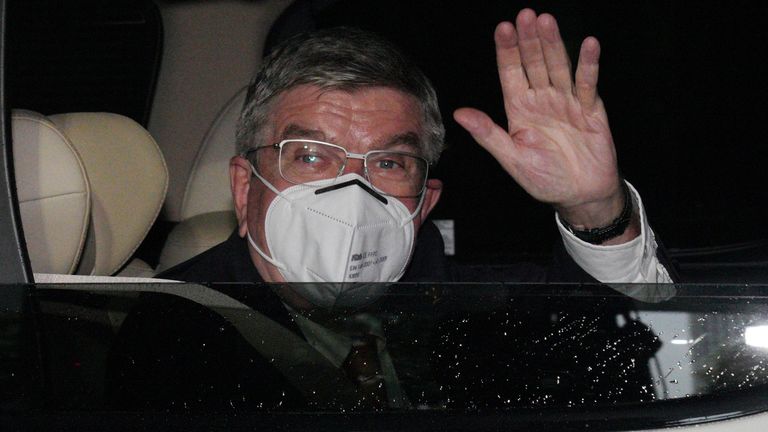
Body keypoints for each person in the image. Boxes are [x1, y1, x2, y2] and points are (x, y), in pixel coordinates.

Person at [107, 9, 676, 411]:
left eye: (388, 164)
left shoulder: (474, 312)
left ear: (422, 203)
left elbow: (636, 357)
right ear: (243, 185)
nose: (350, 190)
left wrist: (593, 207)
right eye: (310, 157)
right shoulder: (174, 332)